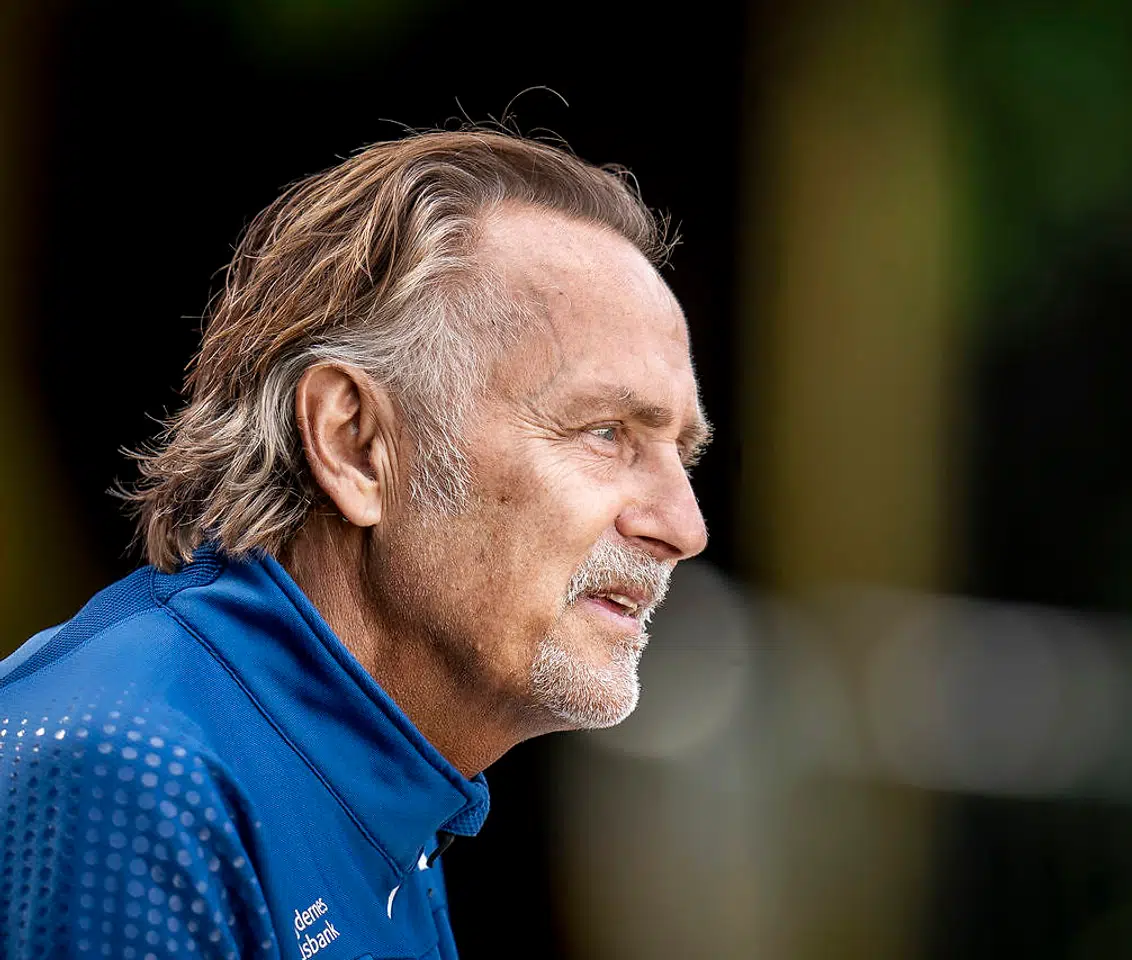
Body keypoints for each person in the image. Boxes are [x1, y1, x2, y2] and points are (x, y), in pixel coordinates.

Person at [0, 129, 710, 959]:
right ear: (356, 445)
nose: (683, 526)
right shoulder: (130, 775)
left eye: (681, 453)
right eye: (604, 432)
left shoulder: (376, 775)